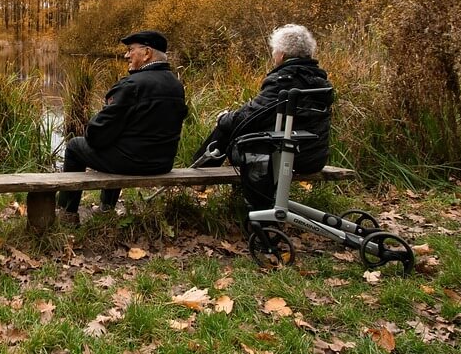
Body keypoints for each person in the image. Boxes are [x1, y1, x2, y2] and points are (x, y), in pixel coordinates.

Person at [190, 24, 333, 205]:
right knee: (234, 124)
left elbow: (251, 116)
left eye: (274, 50)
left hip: (284, 156)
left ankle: (198, 176)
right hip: (314, 156)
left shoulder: (283, 80)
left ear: (281, 54)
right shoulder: (321, 81)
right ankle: (204, 179)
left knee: (227, 126)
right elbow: (263, 114)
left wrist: (224, 118)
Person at [57, 30, 188, 221]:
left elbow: (96, 134)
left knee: (75, 146)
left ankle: (67, 213)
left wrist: (94, 129)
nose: (126, 55)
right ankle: (105, 209)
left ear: (147, 53)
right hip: (162, 163)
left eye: (130, 50)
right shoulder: (176, 85)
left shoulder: (132, 85)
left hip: (133, 163)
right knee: (119, 141)